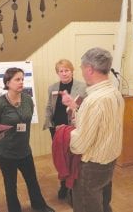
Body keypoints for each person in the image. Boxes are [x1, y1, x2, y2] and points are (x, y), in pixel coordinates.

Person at [61, 47, 125, 212]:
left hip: (92, 165)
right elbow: (102, 126)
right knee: (103, 202)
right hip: (109, 160)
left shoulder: (94, 100)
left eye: (82, 68)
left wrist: (67, 134)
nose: (81, 72)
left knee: (86, 206)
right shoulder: (115, 92)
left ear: (89, 69)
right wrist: (76, 109)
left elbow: (80, 145)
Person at [0, 67, 55, 212]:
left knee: (32, 180)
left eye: (22, 79)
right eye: (17, 79)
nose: (21, 82)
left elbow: (27, 119)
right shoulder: (0, 104)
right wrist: (6, 138)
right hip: (5, 153)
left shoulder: (27, 99)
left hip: (24, 150)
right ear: (7, 82)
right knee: (10, 184)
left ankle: (39, 206)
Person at [43, 59, 86, 199]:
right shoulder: (53, 87)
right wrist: (50, 123)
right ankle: (63, 184)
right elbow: (49, 107)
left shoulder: (82, 86)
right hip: (56, 128)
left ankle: (73, 186)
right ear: (57, 73)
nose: (64, 73)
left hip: (73, 128)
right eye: (61, 71)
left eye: (66, 70)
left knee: (73, 158)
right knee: (60, 157)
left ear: (72, 71)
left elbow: (83, 108)